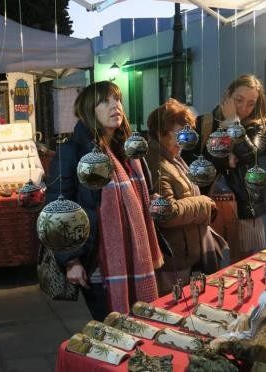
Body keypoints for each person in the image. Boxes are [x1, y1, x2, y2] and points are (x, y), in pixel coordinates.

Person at [44, 81, 164, 321]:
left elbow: (144, 193)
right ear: (90, 109)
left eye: (117, 100)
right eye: (105, 101)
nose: (115, 106)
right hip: (98, 262)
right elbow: (57, 212)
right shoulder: (73, 151)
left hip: (137, 256)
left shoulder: (129, 149)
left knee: (143, 327)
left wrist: (151, 200)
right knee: (114, 332)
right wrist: (71, 260)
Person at [182, 74, 266, 262]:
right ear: (227, 95)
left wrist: (233, 123)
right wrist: (224, 159)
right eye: (239, 100)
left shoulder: (256, 127)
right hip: (208, 205)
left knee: (248, 265)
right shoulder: (202, 123)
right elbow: (189, 164)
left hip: (246, 207)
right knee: (208, 265)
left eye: (251, 103)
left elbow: (249, 153)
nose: (244, 108)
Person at [146, 99, 228, 293]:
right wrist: (203, 202)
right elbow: (167, 213)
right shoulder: (156, 162)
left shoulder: (173, 158)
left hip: (186, 254)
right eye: (180, 134)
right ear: (161, 132)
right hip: (173, 261)